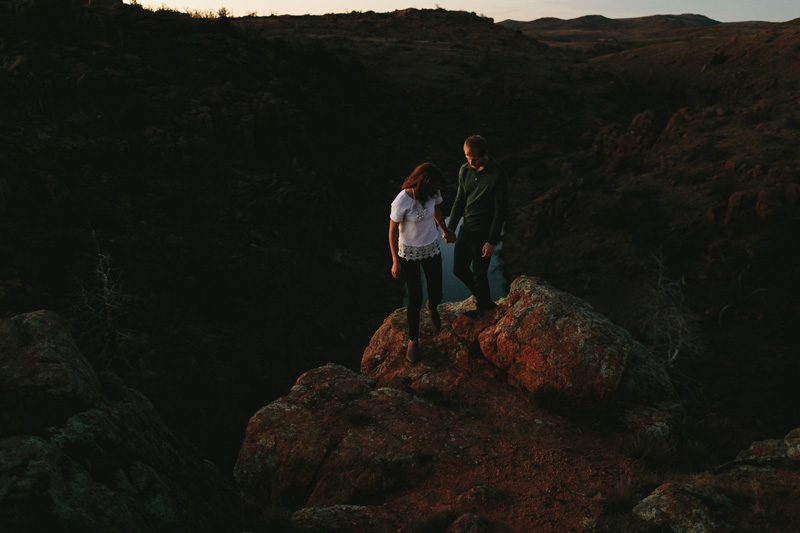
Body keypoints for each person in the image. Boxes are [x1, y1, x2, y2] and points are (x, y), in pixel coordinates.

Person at [389, 163, 455, 363]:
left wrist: (445, 229)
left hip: (431, 248)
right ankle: (413, 341)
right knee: (415, 298)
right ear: (424, 183)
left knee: (437, 293)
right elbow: (392, 232)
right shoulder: (402, 200)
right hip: (408, 253)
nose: (437, 189)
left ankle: (432, 307)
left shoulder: (432, 194)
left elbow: (437, 211)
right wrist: (395, 261)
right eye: (434, 185)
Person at [446, 135, 508, 313]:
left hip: (483, 233)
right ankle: (486, 301)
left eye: (475, 159)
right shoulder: (464, 170)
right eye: (467, 158)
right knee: (459, 269)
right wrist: (450, 228)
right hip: (466, 229)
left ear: (485, 154)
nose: (471, 162)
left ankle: (483, 309)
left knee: (480, 276)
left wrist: (492, 241)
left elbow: (500, 211)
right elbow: (459, 202)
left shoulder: (498, 175)